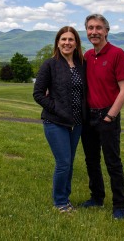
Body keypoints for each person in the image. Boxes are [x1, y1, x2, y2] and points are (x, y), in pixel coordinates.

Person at [80, 14, 124, 220]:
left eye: (98, 28)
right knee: (91, 160)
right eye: (90, 28)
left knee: (113, 162)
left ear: (106, 31)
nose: (94, 32)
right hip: (88, 116)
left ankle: (119, 204)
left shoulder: (117, 54)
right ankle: (97, 197)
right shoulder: (86, 56)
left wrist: (110, 116)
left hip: (107, 115)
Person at [33, 26, 86, 213]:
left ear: (76, 43)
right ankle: (60, 202)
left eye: (71, 39)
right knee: (63, 162)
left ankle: (66, 197)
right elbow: (38, 94)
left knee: (70, 162)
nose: (67, 43)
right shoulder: (50, 64)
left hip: (78, 123)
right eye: (63, 39)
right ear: (57, 42)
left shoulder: (81, 64)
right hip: (55, 122)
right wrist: (58, 110)